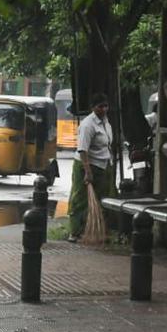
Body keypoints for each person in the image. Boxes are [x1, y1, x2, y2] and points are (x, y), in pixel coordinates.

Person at [68, 93, 114, 242]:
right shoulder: (88, 124)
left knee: (102, 198)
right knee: (80, 199)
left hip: (103, 165)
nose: (104, 109)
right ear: (93, 108)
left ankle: (97, 230)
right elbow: (83, 150)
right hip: (86, 165)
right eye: (100, 106)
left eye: (105, 106)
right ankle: (75, 232)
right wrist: (87, 172)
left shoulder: (106, 122)